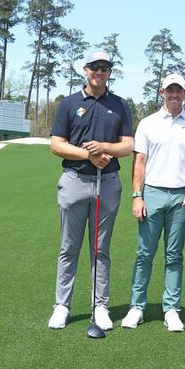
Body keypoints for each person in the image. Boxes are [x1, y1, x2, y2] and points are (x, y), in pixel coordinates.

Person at [48, 49, 134, 331]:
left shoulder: (120, 104)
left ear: (110, 72)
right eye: (95, 67)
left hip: (107, 184)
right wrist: (88, 155)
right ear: (85, 69)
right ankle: (62, 305)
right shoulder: (69, 103)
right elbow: (56, 144)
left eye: (105, 68)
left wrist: (103, 148)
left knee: (101, 249)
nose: (99, 72)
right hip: (75, 180)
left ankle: (100, 306)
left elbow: (127, 145)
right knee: (68, 247)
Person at [120, 74, 185, 332]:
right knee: (144, 254)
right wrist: (137, 195)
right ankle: (137, 307)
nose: (174, 95)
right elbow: (139, 161)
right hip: (153, 193)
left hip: (182, 195)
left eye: (178, 91)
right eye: (170, 90)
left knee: (174, 255)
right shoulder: (148, 124)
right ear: (162, 92)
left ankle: (171, 309)